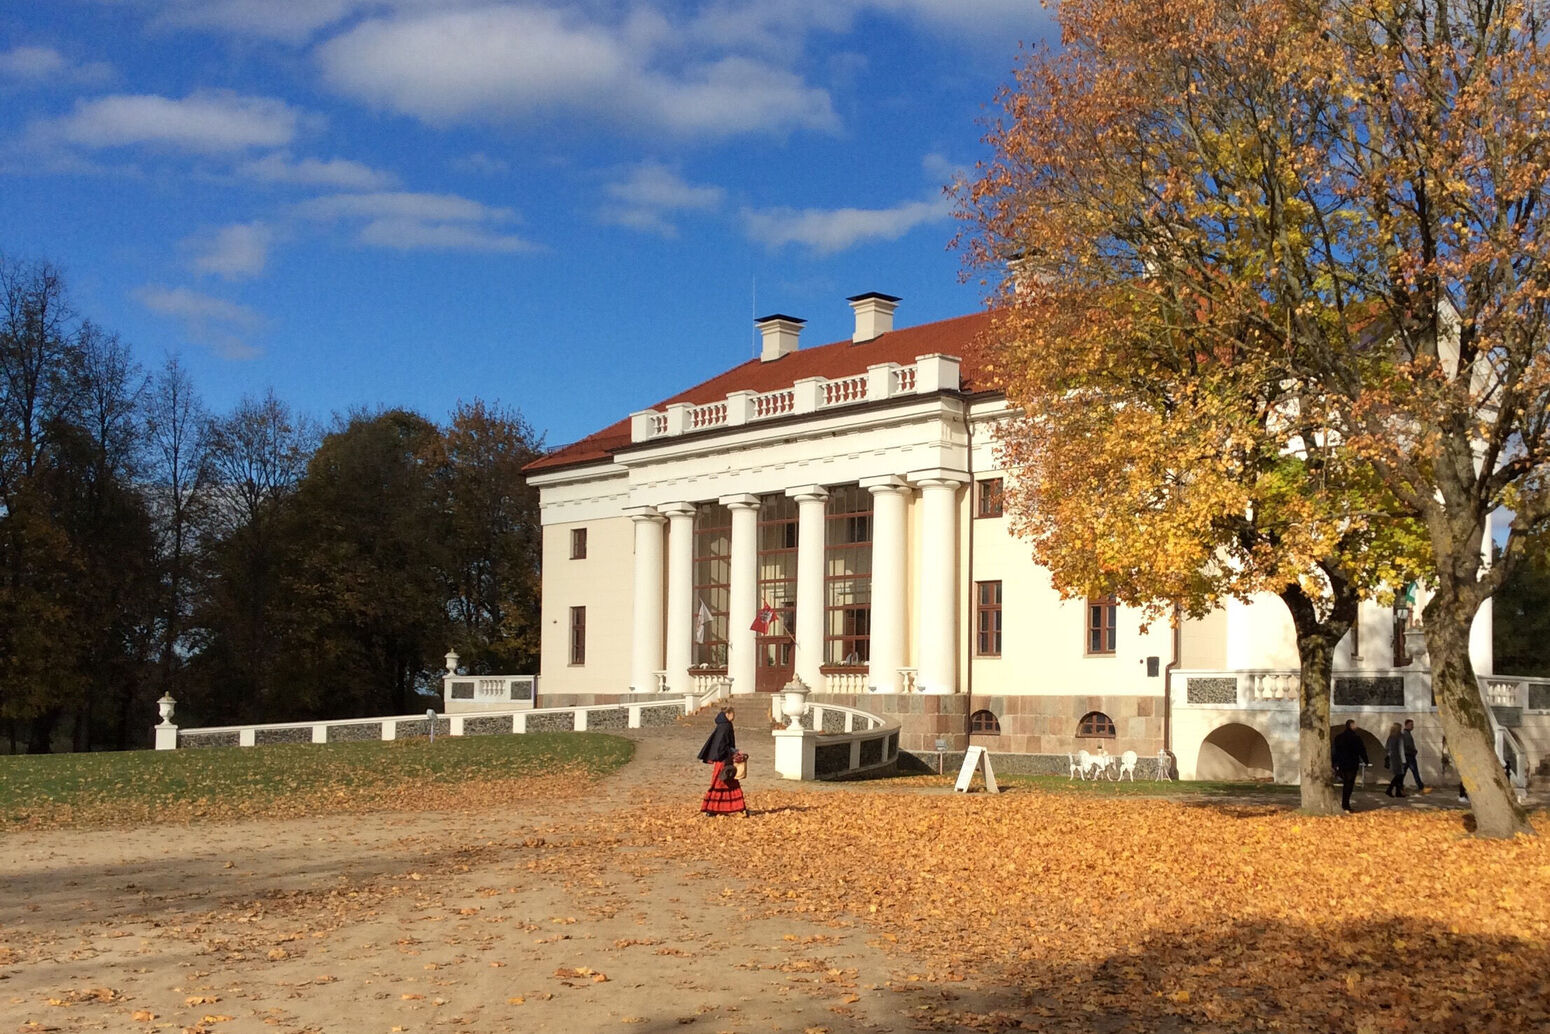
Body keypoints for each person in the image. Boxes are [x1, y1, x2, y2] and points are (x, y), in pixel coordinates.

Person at [697, 707, 747, 816]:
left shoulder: (721, 725)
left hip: (720, 760)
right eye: (733, 714)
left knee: (722, 782)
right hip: (724, 760)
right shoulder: (726, 726)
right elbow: (723, 746)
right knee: (724, 782)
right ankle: (718, 809)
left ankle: (715, 809)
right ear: (728, 714)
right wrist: (733, 753)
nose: (734, 716)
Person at [1331, 719, 1368, 813]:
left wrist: (1334, 763)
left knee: (1345, 783)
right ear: (1351, 726)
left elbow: (1335, 751)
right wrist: (1366, 760)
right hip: (1351, 763)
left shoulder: (1339, 737)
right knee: (1349, 784)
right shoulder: (1356, 738)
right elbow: (1361, 750)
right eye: (1354, 725)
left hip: (1342, 763)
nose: (1356, 726)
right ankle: (1345, 804)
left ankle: (1345, 803)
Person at [1401, 718, 1426, 793]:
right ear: (1407, 725)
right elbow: (1408, 745)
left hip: (1407, 756)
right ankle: (1421, 787)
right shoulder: (1406, 734)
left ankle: (1400, 786)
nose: (1413, 726)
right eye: (1411, 725)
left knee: (1403, 773)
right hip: (1409, 756)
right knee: (1415, 772)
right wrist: (1414, 751)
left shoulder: (1406, 733)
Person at [1383, 721, 1406, 798]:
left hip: (1392, 758)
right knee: (1399, 775)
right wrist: (1403, 760)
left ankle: (1397, 792)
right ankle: (1389, 790)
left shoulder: (1390, 737)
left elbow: (1386, 748)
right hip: (1398, 758)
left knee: (1397, 775)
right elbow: (1401, 748)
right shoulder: (1400, 736)